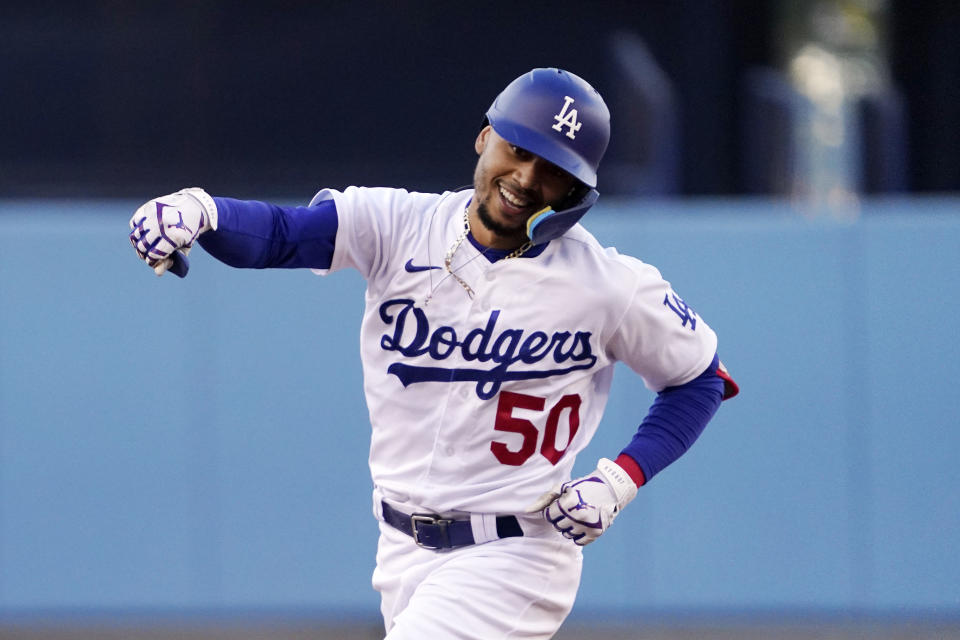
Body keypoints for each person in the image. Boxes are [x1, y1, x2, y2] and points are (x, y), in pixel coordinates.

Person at [128, 67, 738, 639]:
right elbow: (283, 236)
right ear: (484, 138)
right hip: (400, 548)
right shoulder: (396, 222)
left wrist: (622, 480)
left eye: (552, 168)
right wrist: (202, 212)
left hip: (516, 553)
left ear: (577, 189)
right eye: (518, 149)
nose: (526, 178)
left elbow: (700, 379)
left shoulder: (609, 284)